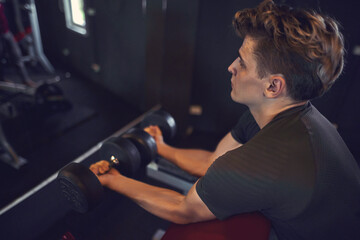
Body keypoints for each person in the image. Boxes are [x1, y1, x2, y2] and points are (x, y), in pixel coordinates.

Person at [90, 0, 360, 239]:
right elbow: (212, 162)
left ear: (273, 87)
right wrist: (161, 148)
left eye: (242, 63)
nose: (231, 67)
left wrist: (112, 180)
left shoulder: (266, 160)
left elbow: (183, 209)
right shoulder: (284, 115)